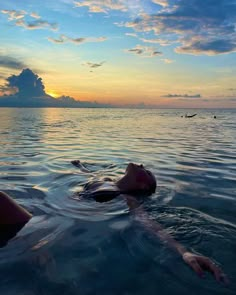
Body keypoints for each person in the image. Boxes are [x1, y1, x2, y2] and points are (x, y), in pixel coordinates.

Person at [0, 162, 228, 284]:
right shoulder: (107, 180)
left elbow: (147, 222)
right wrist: (79, 166)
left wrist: (183, 251)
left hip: (40, 228)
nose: (141, 164)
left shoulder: (126, 198)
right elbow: (91, 172)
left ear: (142, 187)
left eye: (147, 171)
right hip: (44, 211)